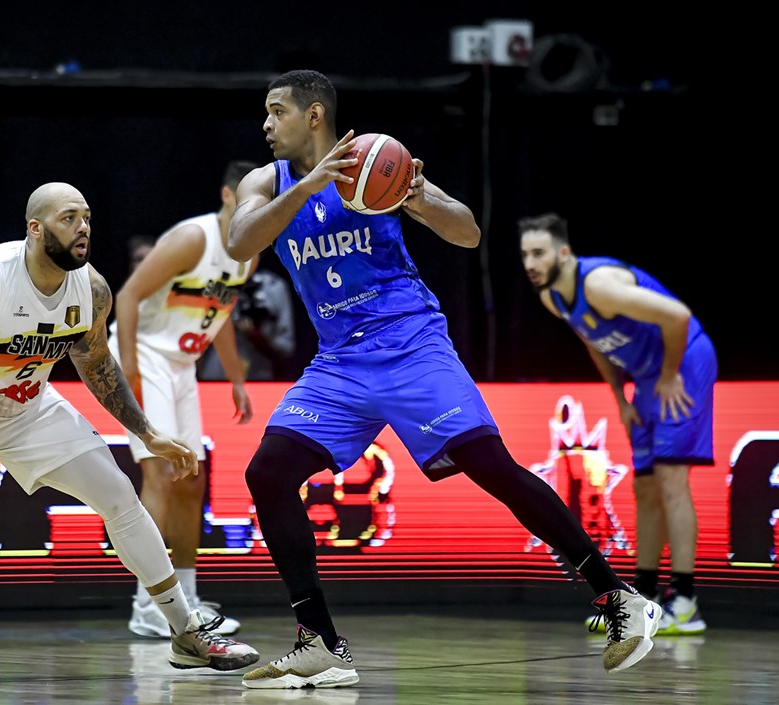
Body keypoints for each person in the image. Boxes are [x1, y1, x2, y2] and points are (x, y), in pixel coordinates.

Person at [226, 69, 661, 689]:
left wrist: (419, 198)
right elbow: (241, 241)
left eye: (277, 111)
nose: (267, 124)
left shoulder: (377, 160)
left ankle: (619, 597)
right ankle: (319, 642)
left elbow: (468, 231)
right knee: (267, 474)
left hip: (410, 343)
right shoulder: (265, 182)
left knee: (491, 466)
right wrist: (312, 185)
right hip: (340, 361)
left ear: (313, 115)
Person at [0, 182, 260, 685]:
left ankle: (185, 632)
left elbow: (98, 366)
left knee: (120, 495)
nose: (83, 228)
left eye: (87, 218)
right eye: (69, 218)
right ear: (35, 229)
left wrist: (148, 433)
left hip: (28, 408)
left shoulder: (91, 289)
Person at [518, 212, 714, 636]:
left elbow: (677, 316)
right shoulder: (553, 297)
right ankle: (644, 598)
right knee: (644, 487)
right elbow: (594, 342)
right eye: (525, 255)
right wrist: (620, 398)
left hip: (683, 365)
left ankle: (685, 603)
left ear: (564, 253)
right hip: (643, 378)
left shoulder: (599, 285)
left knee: (671, 481)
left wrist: (668, 376)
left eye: (539, 253)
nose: (530, 263)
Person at [110, 161, 259, 639]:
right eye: (250, 197)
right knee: (159, 474)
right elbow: (128, 297)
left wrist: (236, 378)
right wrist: (129, 368)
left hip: (180, 365)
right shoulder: (194, 239)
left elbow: (221, 314)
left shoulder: (250, 252)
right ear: (227, 196)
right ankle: (147, 605)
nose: (257, 207)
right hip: (145, 355)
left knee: (191, 480)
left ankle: (187, 600)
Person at [197, 265, 297, 382]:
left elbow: (287, 347)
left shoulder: (273, 286)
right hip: (217, 374)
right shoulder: (215, 283)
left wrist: (257, 337)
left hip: (260, 375)